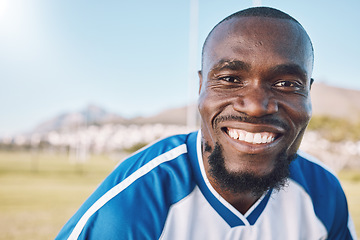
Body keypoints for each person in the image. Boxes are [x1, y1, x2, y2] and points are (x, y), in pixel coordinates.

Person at [56, 7, 357, 240]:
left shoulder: (322, 193)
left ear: (308, 94)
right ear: (201, 87)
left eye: (286, 83)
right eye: (229, 79)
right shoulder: (138, 198)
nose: (254, 106)